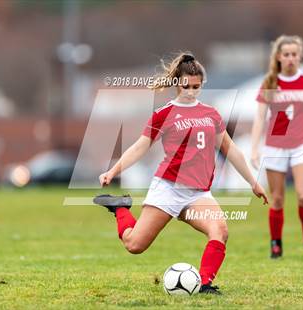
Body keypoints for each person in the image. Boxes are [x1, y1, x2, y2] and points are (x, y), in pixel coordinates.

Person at [94, 52, 268, 294]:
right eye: (187, 86)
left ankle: (205, 284)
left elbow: (231, 149)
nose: (191, 91)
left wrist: (253, 182)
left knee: (220, 230)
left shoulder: (211, 114)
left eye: (197, 87)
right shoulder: (164, 114)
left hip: (198, 194)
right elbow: (140, 146)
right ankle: (120, 208)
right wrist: (113, 170)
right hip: (168, 189)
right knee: (134, 245)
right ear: (177, 83)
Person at [250, 35, 303, 259]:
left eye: (294, 54)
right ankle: (276, 243)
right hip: (276, 144)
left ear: (300, 56)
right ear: (278, 57)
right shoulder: (270, 83)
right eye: (286, 54)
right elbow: (259, 118)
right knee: (277, 198)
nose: (290, 58)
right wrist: (254, 147)